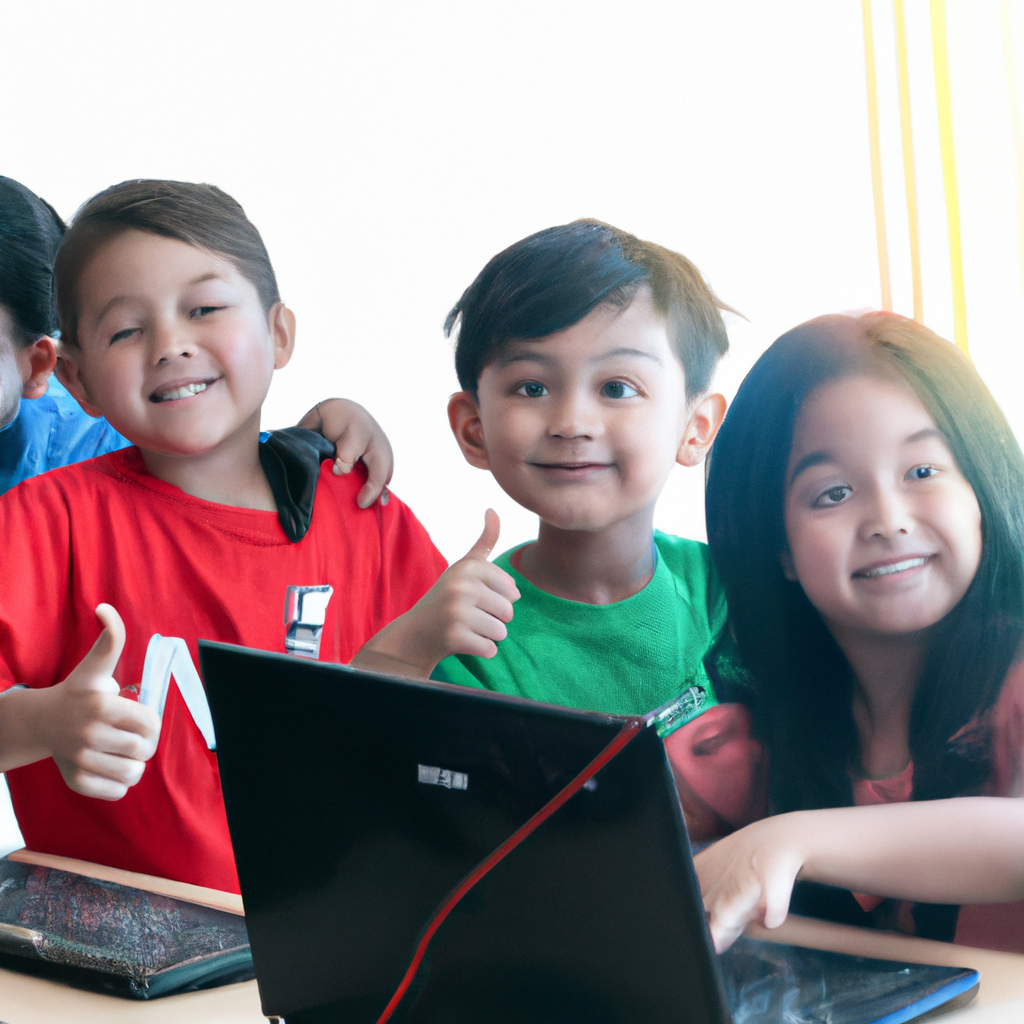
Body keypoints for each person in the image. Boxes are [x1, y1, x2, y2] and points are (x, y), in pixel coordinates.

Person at [0, 179, 449, 894]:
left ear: (279, 334)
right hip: (110, 960)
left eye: (204, 309)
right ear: (78, 381)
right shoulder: (43, 523)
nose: (173, 345)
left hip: (335, 929)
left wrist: (431, 636)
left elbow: (447, 746)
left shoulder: (360, 508)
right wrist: (39, 723)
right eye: (126, 330)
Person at [355, 220, 763, 838]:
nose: (572, 421)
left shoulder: (728, 593)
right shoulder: (471, 631)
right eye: (533, 386)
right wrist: (409, 647)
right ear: (473, 428)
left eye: (618, 387)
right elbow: (363, 773)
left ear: (696, 427)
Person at [696, 312, 1024, 954]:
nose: (887, 519)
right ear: (779, 548)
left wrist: (791, 842)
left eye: (922, 472)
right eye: (833, 493)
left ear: (981, 487)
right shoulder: (758, 738)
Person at [0, 174, 393, 502]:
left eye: (204, 309)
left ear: (40, 366)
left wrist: (306, 448)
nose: (171, 346)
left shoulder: (90, 442)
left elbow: (210, 460)